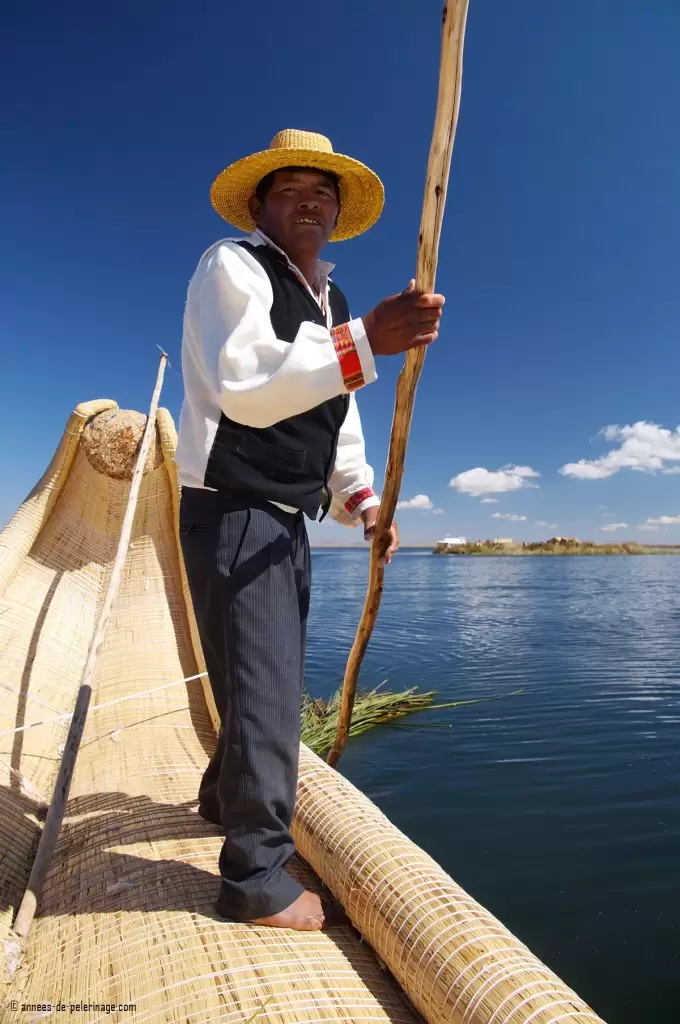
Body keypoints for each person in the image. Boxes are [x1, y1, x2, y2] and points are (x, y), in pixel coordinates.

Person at [175, 129, 444, 931]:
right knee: (268, 688)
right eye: (290, 189)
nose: (310, 201)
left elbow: (339, 425)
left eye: (322, 192)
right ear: (259, 206)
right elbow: (250, 384)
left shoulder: (329, 300)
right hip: (233, 502)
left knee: (251, 671)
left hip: (284, 517)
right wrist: (370, 341)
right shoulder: (233, 265)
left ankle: (224, 798)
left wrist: (364, 506)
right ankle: (255, 877)